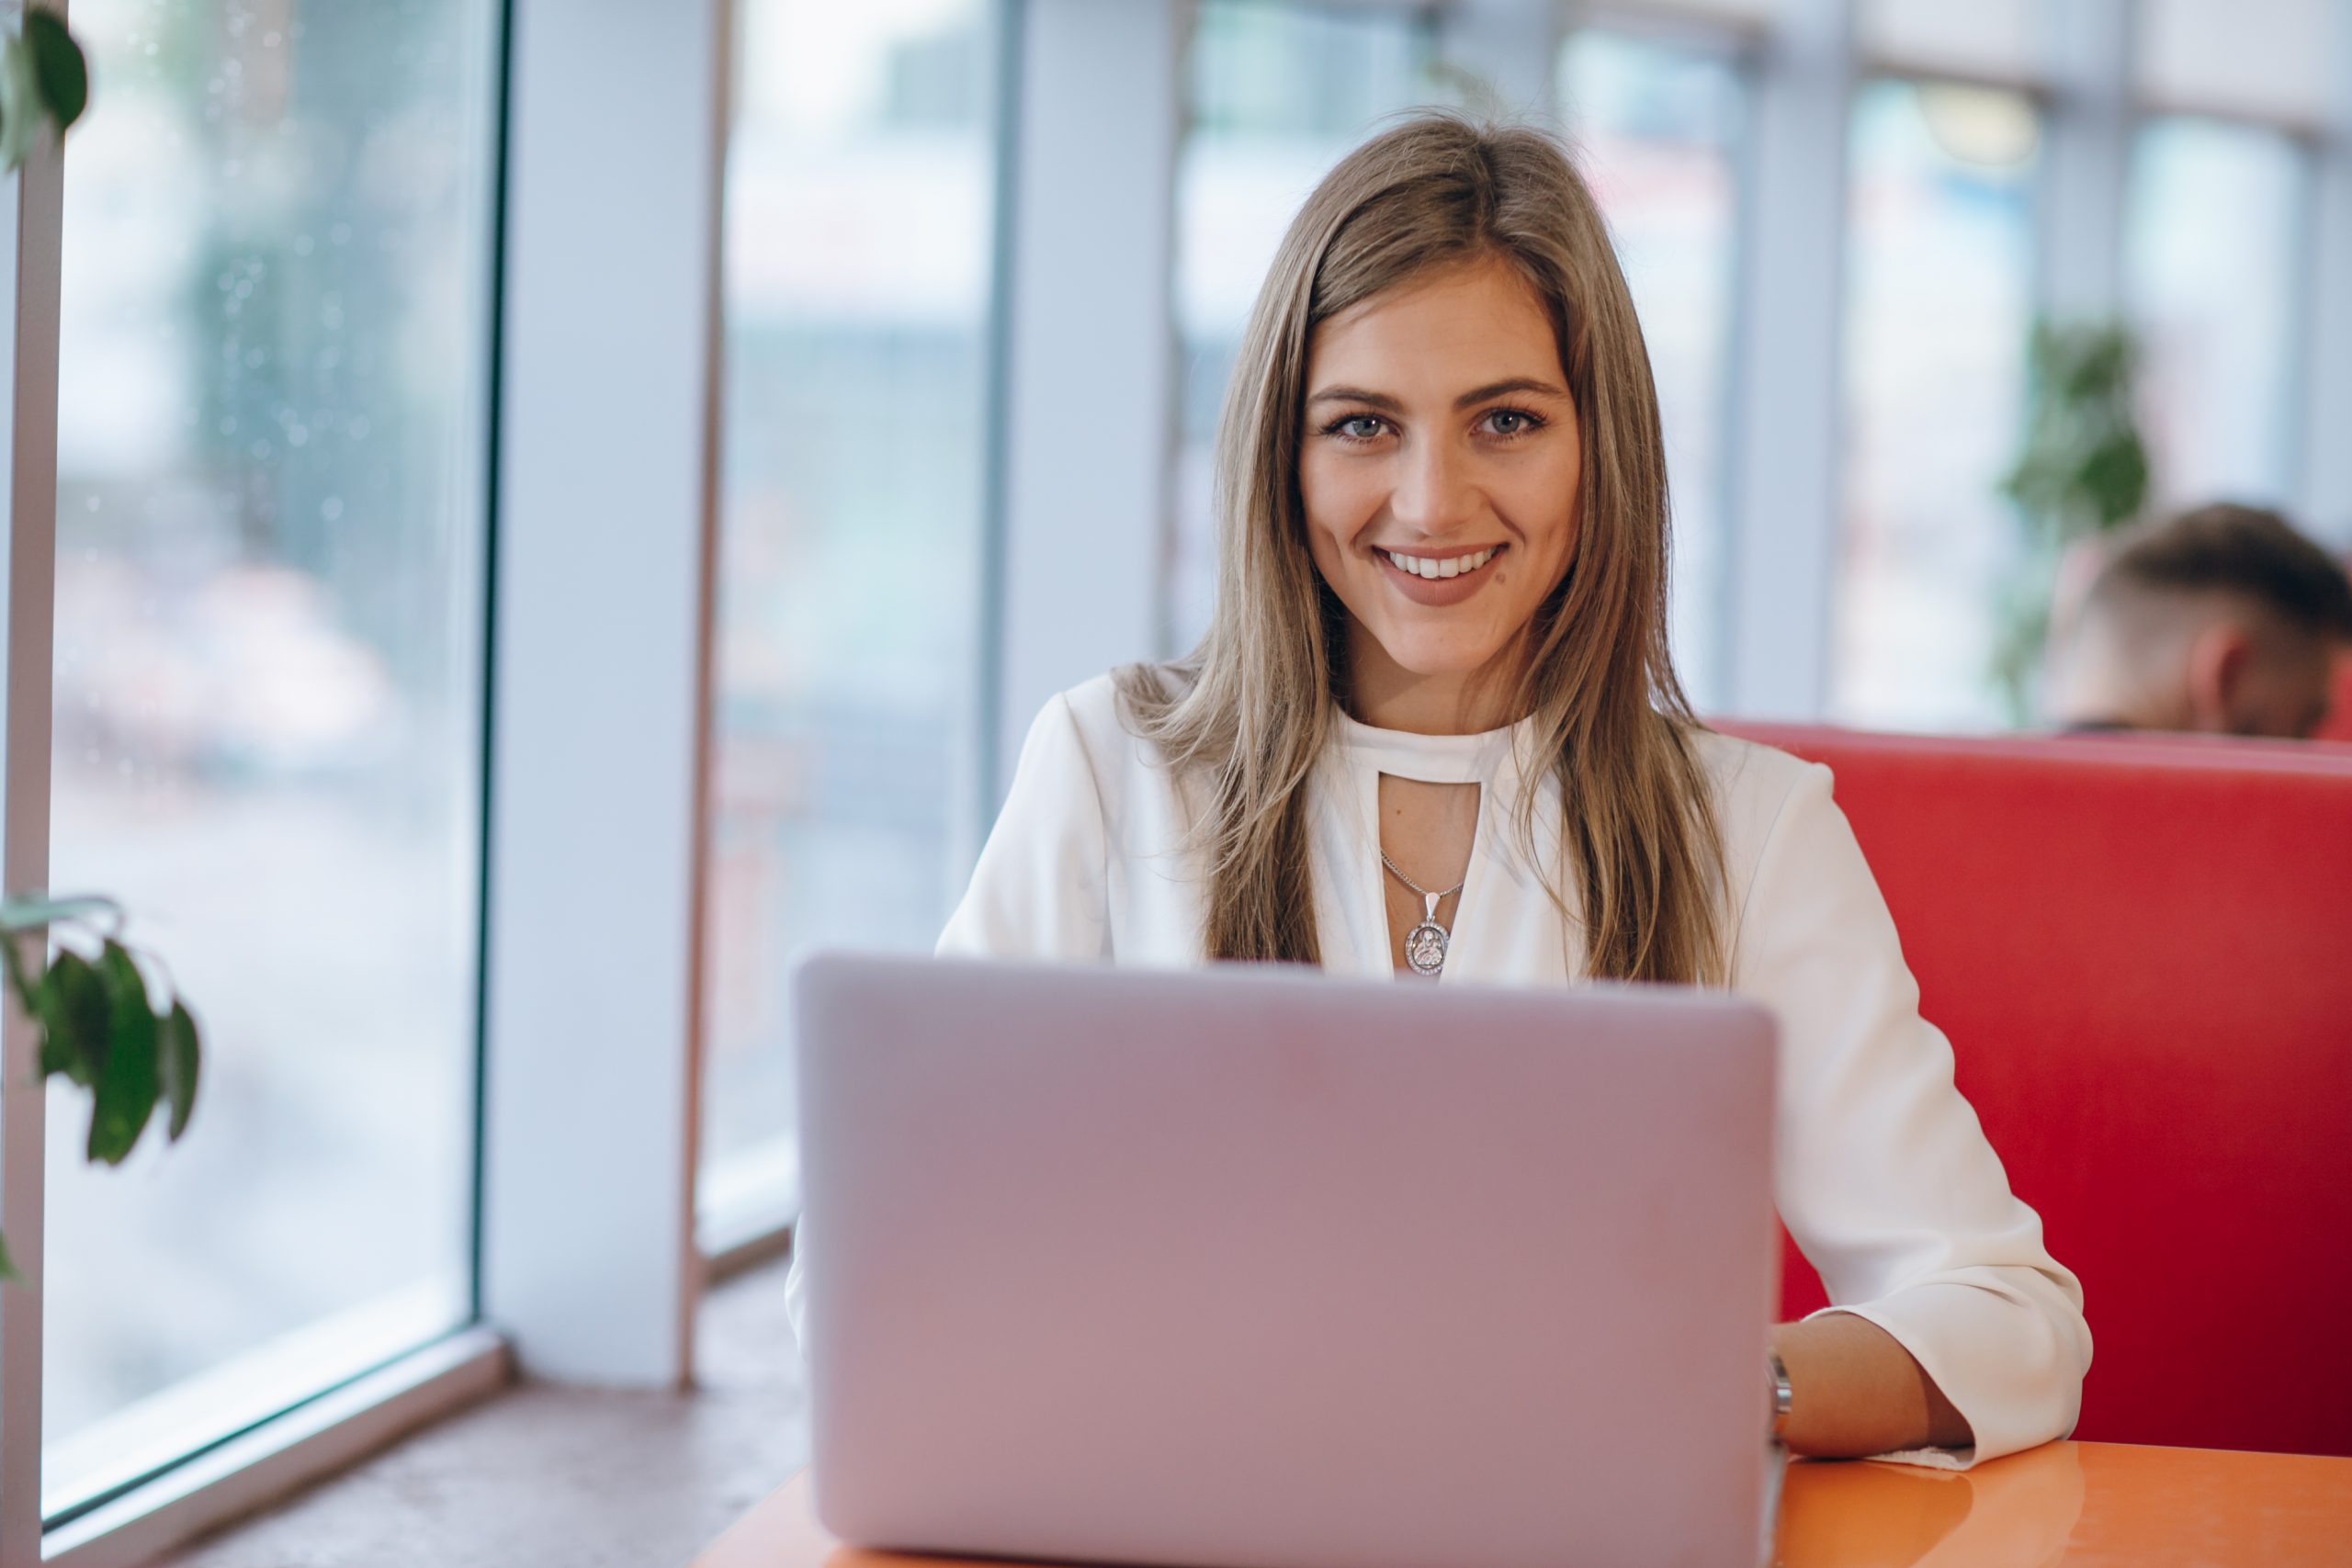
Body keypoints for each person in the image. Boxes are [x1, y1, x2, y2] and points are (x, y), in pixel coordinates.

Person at [789, 114, 2088, 1468]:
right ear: (1281, 462)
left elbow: (2007, 1318)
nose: (1431, 499)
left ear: (1603, 450)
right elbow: (879, 1263)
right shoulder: (1115, 768)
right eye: (1361, 425)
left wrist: (1698, 1382)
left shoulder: (1745, 829)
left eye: (1506, 421)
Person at [2045, 502, 2352, 739]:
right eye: (2302, 728)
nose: (2309, 752)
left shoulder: (2006, 805)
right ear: (2226, 678)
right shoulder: (2186, 820)